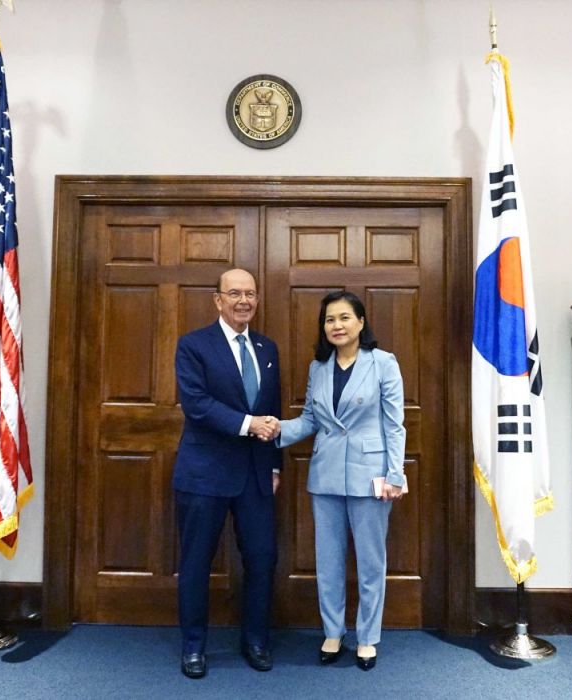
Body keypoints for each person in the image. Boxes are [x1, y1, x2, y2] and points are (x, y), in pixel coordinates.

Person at [275, 290, 406, 671]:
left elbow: (394, 424)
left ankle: (367, 638)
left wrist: (395, 474)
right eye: (330, 319)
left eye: (345, 317)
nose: (337, 325)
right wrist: (274, 429)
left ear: (361, 322)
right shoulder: (318, 368)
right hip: (326, 474)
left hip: (371, 475)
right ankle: (332, 632)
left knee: (370, 562)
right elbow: (310, 420)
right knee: (328, 561)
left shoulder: (383, 363)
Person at [172, 268, 282, 679]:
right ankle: (193, 647)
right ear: (217, 300)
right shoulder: (193, 345)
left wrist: (275, 463)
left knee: (262, 558)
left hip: (256, 474)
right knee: (196, 562)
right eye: (234, 293)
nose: (243, 301)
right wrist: (249, 424)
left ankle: (255, 641)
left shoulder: (267, 347)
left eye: (250, 294)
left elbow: (273, 408)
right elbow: (197, 404)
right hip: (205, 474)